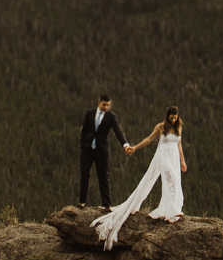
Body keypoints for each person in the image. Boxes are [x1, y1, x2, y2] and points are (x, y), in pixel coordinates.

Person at [92, 106, 187, 250]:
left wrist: (182, 161)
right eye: (171, 118)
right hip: (162, 156)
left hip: (173, 156)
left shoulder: (179, 127)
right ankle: (171, 211)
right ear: (167, 117)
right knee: (170, 179)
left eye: (175, 118)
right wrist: (135, 148)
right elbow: (149, 139)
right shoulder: (161, 127)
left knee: (175, 181)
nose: (173, 120)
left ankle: (172, 209)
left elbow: (179, 146)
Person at [78, 95, 131, 209]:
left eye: (108, 105)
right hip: (87, 149)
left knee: (103, 176)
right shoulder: (90, 113)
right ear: (99, 103)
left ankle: (106, 204)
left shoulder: (111, 117)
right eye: (104, 105)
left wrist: (125, 144)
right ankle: (81, 202)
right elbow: (84, 130)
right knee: (84, 174)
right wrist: (82, 145)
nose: (106, 107)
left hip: (101, 151)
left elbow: (118, 132)